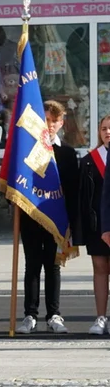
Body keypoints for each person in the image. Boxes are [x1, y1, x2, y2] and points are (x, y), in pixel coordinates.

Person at [16, 101, 79, 334]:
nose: (50, 125)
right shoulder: (28, 150)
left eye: (54, 121)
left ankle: (54, 314)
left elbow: (73, 189)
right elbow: (20, 183)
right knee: (32, 265)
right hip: (31, 216)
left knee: (53, 266)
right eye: (46, 120)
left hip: (57, 219)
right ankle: (29, 315)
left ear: (61, 124)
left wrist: (72, 222)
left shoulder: (68, 153)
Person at [80, 115, 110, 334]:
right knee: (100, 269)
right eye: (104, 129)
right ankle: (101, 317)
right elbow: (83, 198)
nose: (107, 132)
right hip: (97, 226)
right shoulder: (90, 160)